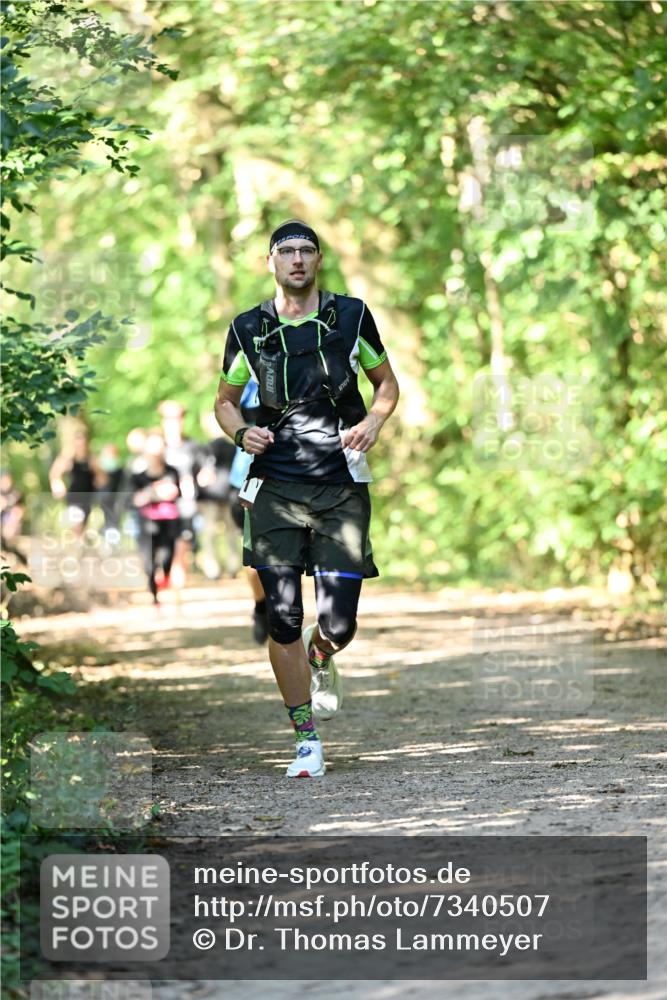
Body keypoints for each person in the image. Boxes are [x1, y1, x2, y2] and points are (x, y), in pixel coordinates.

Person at [214, 219, 399, 777]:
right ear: (270, 262)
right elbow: (224, 401)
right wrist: (240, 433)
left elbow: (386, 384)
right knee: (284, 618)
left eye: (306, 251)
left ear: (318, 260)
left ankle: (322, 659)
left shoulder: (351, 316)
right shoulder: (248, 328)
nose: (296, 259)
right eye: (285, 251)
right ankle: (305, 741)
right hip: (274, 485)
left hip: (342, 482)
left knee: (338, 624)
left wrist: (373, 420)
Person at [228, 379, 268, 644]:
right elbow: (224, 408)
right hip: (247, 478)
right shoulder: (246, 382)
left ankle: (285, 611)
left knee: (291, 554)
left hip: (292, 476)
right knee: (256, 557)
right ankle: (261, 606)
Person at [130, 429, 181, 605]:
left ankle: (165, 578)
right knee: (149, 563)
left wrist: (150, 494)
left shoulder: (172, 471)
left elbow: (174, 492)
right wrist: (157, 491)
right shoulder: (137, 476)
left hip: (169, 522)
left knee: (166, 558)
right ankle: (154, 596)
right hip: (146, 524)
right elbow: (134, 499)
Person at [48, 430, 99, 537]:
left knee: (84, 524)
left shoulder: (91, 458)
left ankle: (78, 546)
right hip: (73, 497)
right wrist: (58, 485)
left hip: (88, 497)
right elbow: (55, 474)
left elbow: (102, 478)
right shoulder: (68, 458)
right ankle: (76, 546)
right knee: (77, 523)